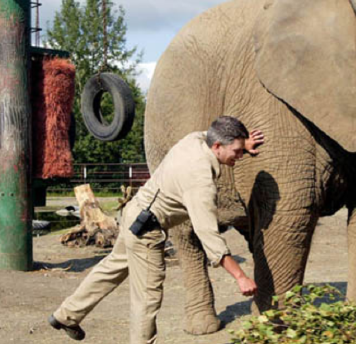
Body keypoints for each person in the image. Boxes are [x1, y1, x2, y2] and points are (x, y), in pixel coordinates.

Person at [48, 116, 263, 343]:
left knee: (111, 269)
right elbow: (208, 234)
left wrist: (244, 144)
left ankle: (66, 315)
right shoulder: (200, 181)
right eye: (236, 151)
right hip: (147, 232)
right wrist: (240, 276)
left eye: (241, 150)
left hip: (134, 213)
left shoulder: (194, 141)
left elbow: (205, 133)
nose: (239, 156)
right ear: (217, 146)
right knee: (147, 299)